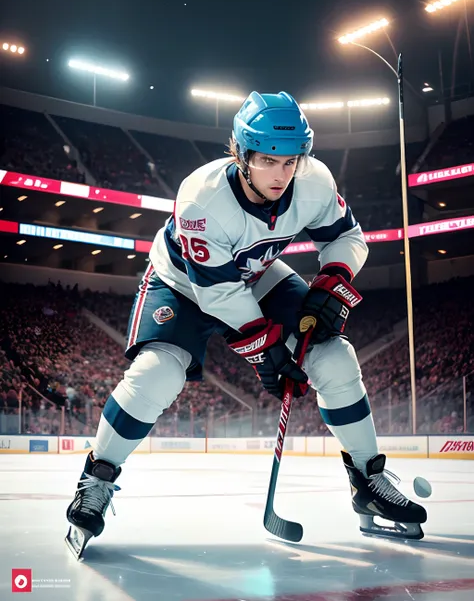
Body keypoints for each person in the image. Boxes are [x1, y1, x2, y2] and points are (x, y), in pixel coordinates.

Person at [65, 91, 426, 558]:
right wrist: (267, 349)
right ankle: (96, 479)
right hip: (182, 284)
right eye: (268, 160)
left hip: (254, 276)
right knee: (159, 372)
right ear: (241, 154)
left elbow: (347, 238)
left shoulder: (313, 182)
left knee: (334, 357)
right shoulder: (203, 198)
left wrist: (331, 282)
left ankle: (367, 478)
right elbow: (216, 294)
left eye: (292, 159)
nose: (282, 173)